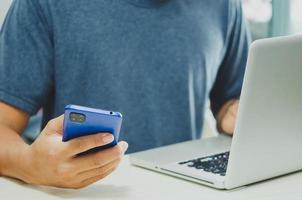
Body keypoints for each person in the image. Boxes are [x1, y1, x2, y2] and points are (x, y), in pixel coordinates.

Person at [0, 0, 250, 189]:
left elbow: (231, 100)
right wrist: (31, 164)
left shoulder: (224, 5)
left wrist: (231, 114)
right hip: (79, 193)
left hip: (179, 188)